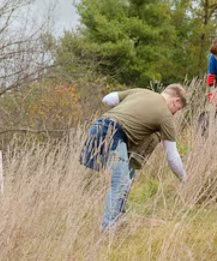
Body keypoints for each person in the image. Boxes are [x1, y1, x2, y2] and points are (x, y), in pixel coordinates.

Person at [80, 85, 187, 232]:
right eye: (179, 108)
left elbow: (107, 99)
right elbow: (172, 156)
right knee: (121, 182)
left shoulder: (140, 92)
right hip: (113, 135)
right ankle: (108, 230)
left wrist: (128, 110)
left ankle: (119, 220)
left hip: (98, 127)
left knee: (128, 174)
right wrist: (184, 179)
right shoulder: (165, 116)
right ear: (175, 101)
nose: (176, 113)